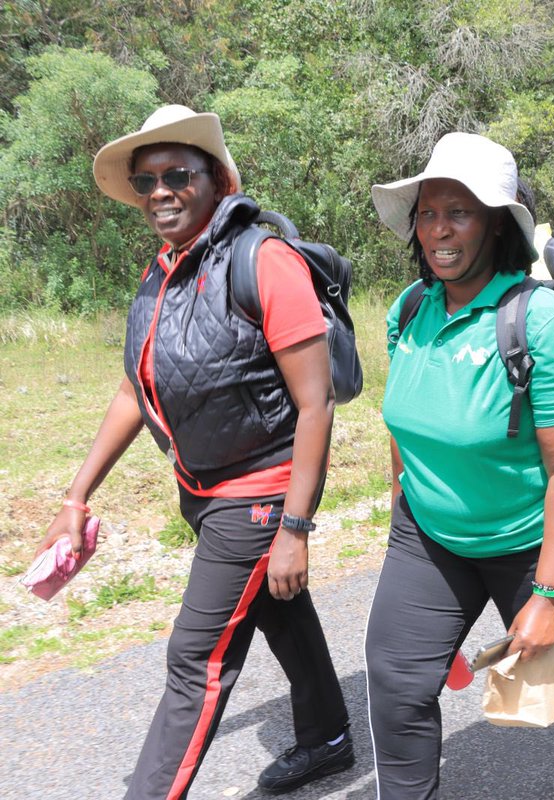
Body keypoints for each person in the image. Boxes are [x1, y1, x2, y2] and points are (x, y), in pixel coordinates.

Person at [37, 105, 351, 798]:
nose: (159, 193)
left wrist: (294, 526)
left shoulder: (262, 261)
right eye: (145, 181)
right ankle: (328, 737)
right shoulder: (163, 274)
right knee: (277, 605)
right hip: (201, 487)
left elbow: (315, 403)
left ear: (216, 180)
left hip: (260, 493)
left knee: (194, 660)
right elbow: (134, 388)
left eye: (176, 175)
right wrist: (76, 494)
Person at [366, 132, 554, 800]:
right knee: (397, 683)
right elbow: (405, 422)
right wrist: (405, 499)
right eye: (427, 212)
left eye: (460, 211)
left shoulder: (542, 323)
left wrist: (546, 596)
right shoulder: (410, 310)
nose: (438, 229)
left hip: (534, 541)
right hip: (428, 535)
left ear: (496, 224)